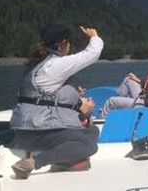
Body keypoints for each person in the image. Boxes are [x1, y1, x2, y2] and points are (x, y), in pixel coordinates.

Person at [10, 25, 103, 179]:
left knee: (92, 131)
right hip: (38, 131)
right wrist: (94, 36)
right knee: (89, 145)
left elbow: (49, 100)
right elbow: (92, 53)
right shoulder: (55, 64)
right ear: (64, 43)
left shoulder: (38, 66)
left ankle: (66, 155)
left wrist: (79, 107)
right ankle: (34, 163)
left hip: (28, 130)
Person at [101, 44, 148, 117]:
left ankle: (102, 123)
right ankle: (119, 106)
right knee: (128, 79)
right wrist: (137, 79)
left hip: (146, 103)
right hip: (144, 97)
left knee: (110, 101)